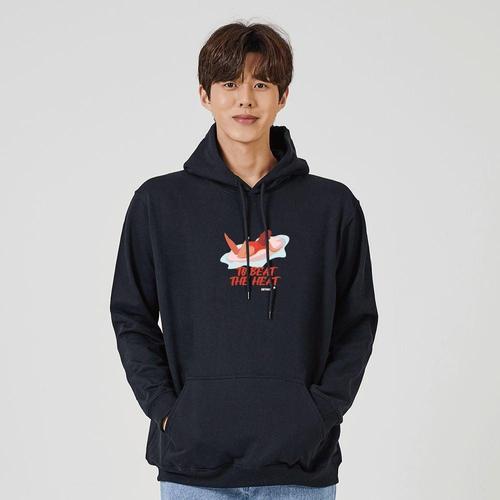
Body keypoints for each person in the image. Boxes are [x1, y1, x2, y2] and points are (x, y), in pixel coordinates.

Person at [110, 21, 378, 500]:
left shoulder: (332, 207)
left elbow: (356, 323)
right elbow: (131, 316)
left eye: (261, 84)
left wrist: (319, 413)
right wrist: (168, 411)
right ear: (205, 95)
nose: (245, 100)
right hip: (193, 469)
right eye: (230, 84)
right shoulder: (159, 204)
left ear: (283, 96)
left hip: (300, 471)